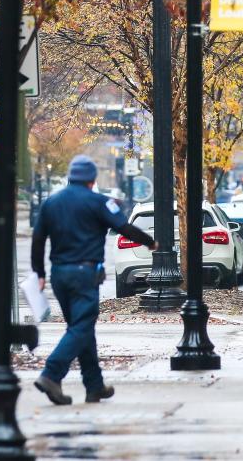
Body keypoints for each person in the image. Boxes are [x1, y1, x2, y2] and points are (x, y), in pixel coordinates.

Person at [31, 155, 156, 405]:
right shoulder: (99, 202)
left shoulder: (51, 203)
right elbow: (125, 228)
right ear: (92, 180)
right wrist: (151, 242)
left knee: (80, 327)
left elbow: (37, 240)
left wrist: (40, 274)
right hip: (85, 274)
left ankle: (94, 385)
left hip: (59, 275)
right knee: (81, 327)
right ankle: (51, 374)